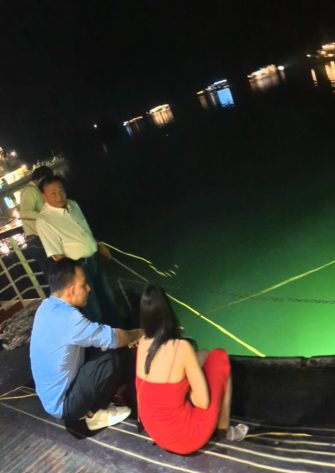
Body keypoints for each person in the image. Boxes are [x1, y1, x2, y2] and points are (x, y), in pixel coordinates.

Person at [29, 258, 143, 432]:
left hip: (52, 397)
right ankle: (94, 413)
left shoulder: (46, 307)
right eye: (84, 285)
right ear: (71, 290)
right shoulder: (68, 318)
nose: (89, 289)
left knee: (107, 345)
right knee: (111, 355)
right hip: (65, 405)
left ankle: (96, 400)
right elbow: (116, 338)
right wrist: (141, 333)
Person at [135, 285, 248, 455]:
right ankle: (224, 431)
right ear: (168, 312)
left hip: (157, 432)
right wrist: (190, 390)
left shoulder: (142, 342)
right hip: (186, 438)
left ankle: (219, 427)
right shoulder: (181, 347)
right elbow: (202, 402)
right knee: (219, 357)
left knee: (202, 354)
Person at [35, 175, 119, 325]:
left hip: (94, 260)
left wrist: (99, 245)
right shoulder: (44, 221)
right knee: (94, 310)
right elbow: (57, 255)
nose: (59, 196)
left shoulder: (73, 205)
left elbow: (86, 229)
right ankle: (104, 347)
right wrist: (76, 276)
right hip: (78, 268)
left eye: (61, 191)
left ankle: (119, 335)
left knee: (109, 300)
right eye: (53, 194)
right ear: (43, 196)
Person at [19, 166, 52, 281]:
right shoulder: (30, 190)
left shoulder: (36, 190)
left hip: (41, 239)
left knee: (56, 274)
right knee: (54, 275)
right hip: (37, 240)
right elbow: (24, 212)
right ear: (42, 178)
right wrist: (46, 217)